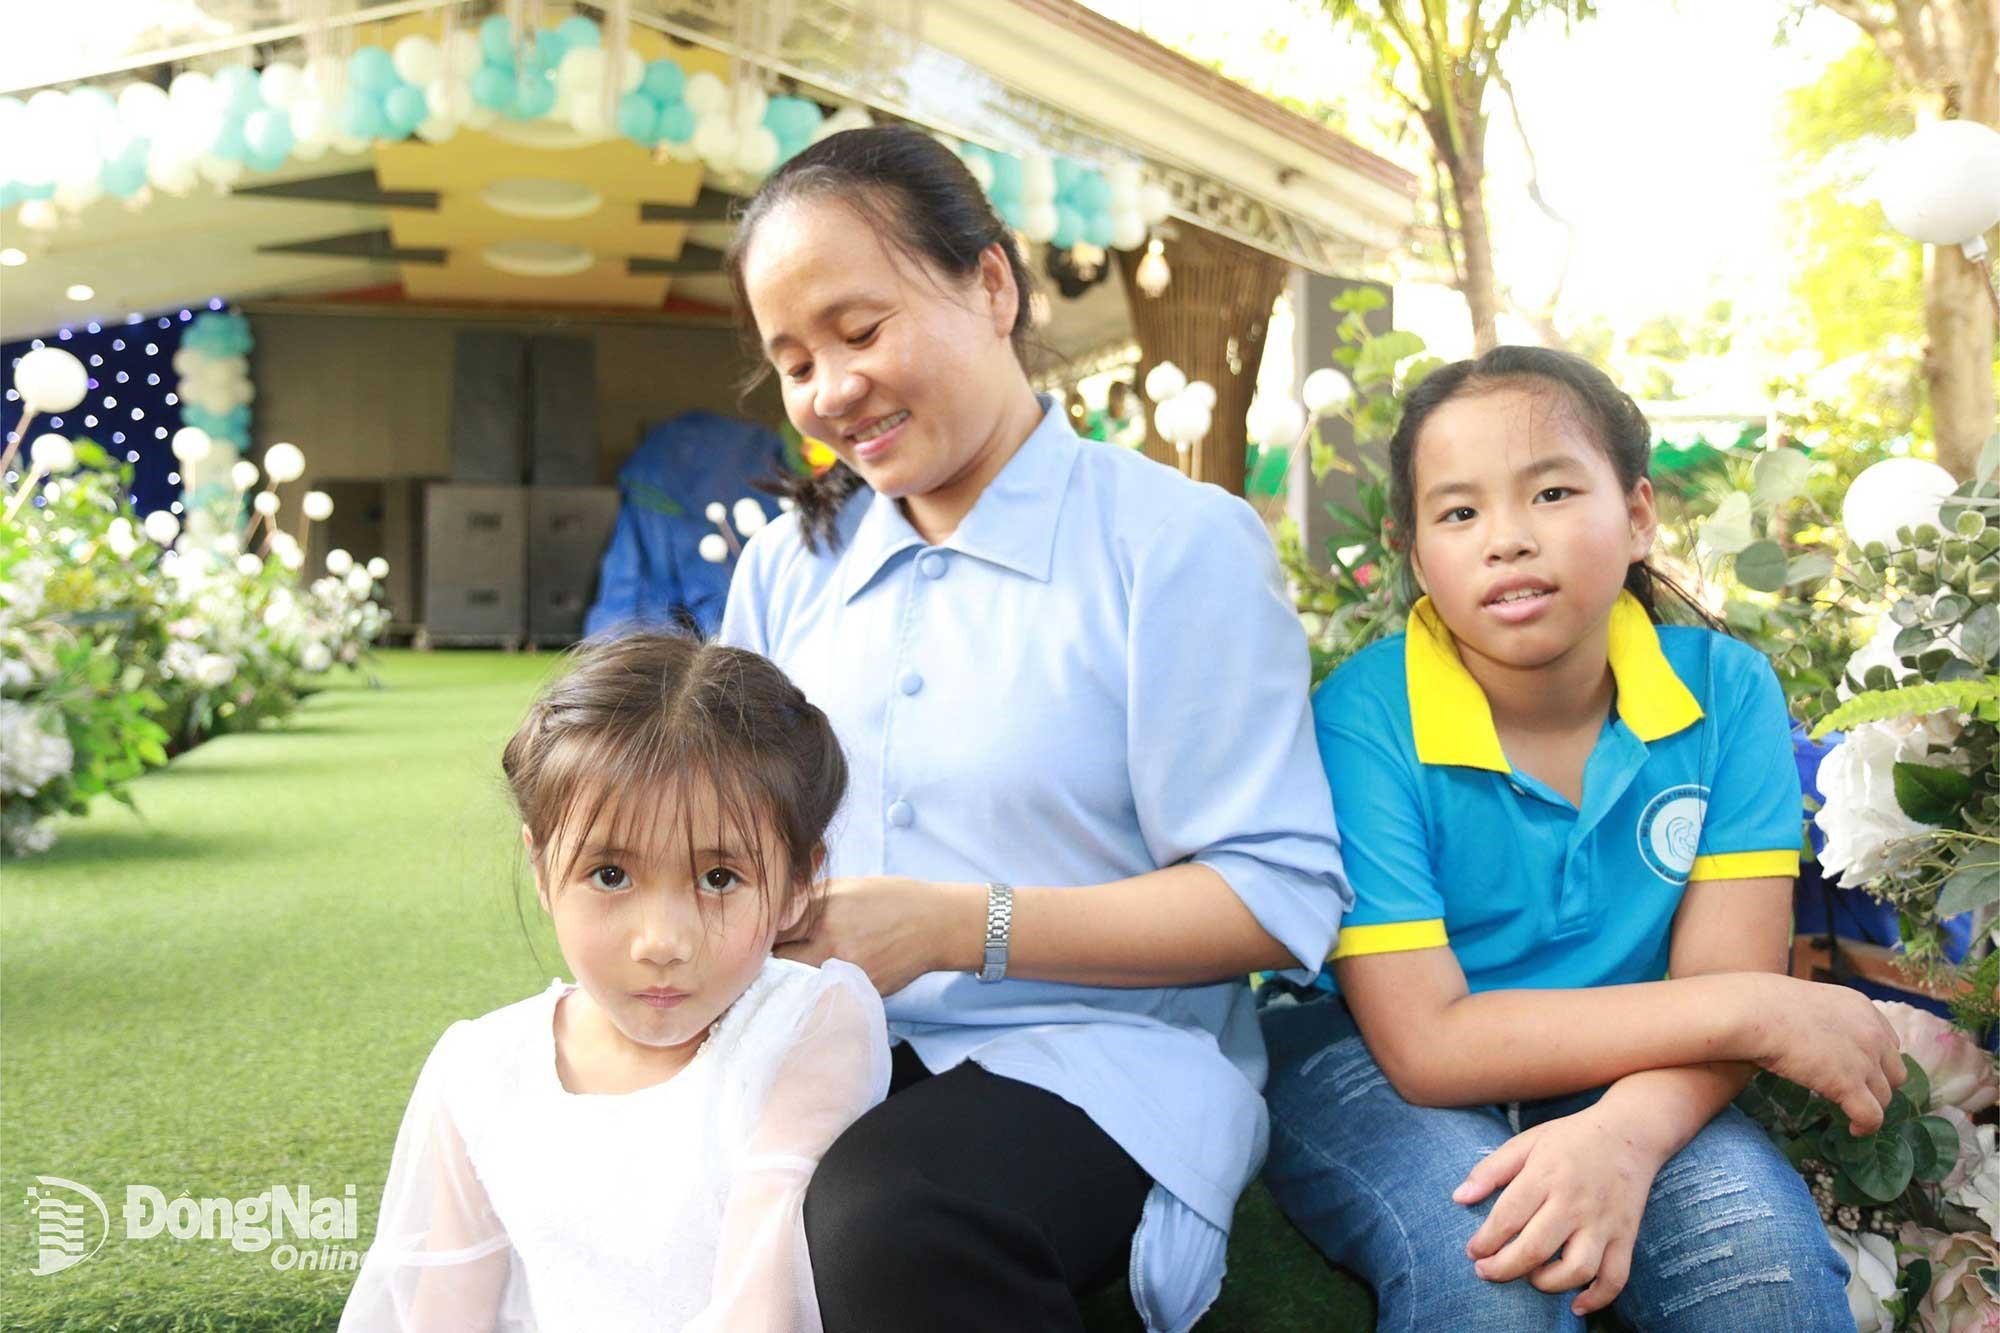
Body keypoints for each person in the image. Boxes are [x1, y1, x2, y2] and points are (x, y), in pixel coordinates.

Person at [718, 124, 1349, 1333]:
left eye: (859, 330)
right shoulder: (786, 568)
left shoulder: (1173, 546)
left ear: (991, 286)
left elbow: (1272, 899)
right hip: (818, 1043)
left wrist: (952, 925)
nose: (831, 389)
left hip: (1097, 1055)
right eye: (794, 361)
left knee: (890, 1219)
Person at [1259, 345, 1905, 1330]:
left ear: (1639, 514)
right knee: (1493, 1271)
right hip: (1366, 1050)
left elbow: (1720, 993)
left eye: (1551, 492)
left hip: (1637, 1062)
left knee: (1759, 1267)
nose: (1507, 540)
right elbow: (1426, 1043)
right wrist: (1757, 1008)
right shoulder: (1365, 717)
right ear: (1414, 552)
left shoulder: (1724, 690)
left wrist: (1623, 1135)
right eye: (1458, 512)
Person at [339, 633, 890, 1332]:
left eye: (719, 878)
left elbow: (761, 1300)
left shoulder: (807, 1024)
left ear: (797, 883)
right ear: (542, 868)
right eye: (610, 874)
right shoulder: (481, 1067)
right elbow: (445, 1310)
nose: (660, 942)